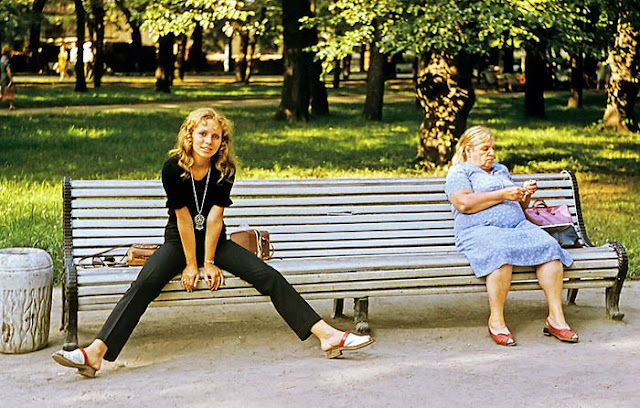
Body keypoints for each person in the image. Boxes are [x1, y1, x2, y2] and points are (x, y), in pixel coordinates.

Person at [52, 107, 374, 377]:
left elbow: (216, 219)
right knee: (145, 283)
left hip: (216, 242)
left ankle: (327, 336)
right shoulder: (172, 169)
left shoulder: (224, 170)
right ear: (189, 135)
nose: (208, 141)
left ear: (223, 141)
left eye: (215, 136)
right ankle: (96, 352)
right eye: (202, 134)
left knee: (268, 276)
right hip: (179, 242)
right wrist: (191, 264)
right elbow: (182, 220)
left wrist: (208, 262)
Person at [444, 125, 578, 346]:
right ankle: (496, 321)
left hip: (517, 228)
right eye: (485, 148)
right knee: (500, 253)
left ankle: (556, 318)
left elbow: (517, 206)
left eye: (493, 148)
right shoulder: (460, 172)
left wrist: (523, 195)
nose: (491, 153)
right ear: (468, 150)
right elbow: (464, 204)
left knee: (550, 247)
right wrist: (503, 193)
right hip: (479, 231)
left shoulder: (500, 169)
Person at [0, 46, 15, 110]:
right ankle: (11, 105)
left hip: (2, 76)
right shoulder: (7, 60)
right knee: (11, 90)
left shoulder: (1, 59)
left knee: (3, 91)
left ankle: (11, 105)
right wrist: (11, 78)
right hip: (6, 77)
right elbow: (8, 70)